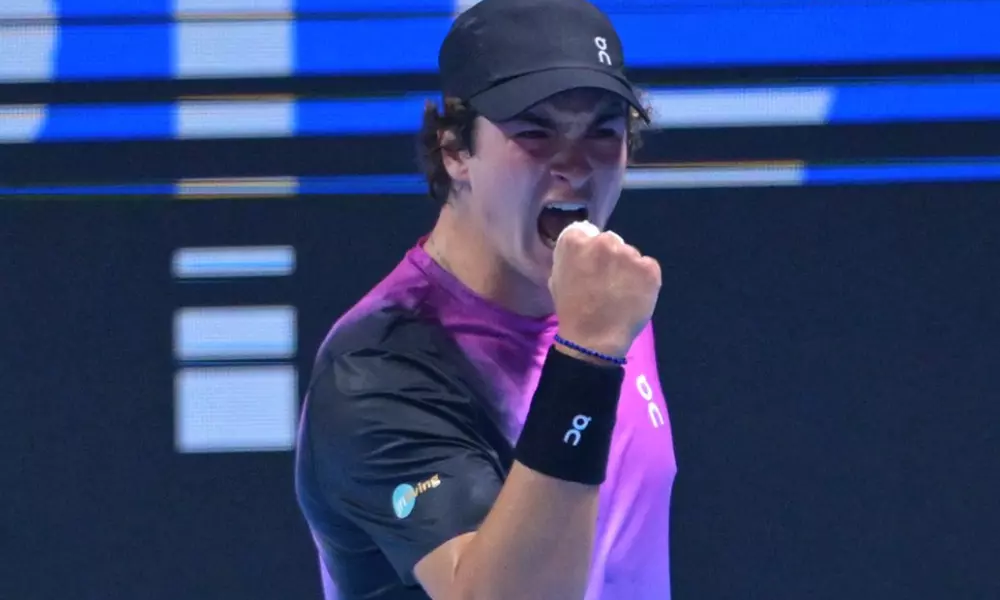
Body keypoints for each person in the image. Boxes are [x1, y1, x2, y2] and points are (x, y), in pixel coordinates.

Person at [294, 0, 677, 598]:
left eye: (603, 130)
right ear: (455, 150)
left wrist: (589, 347)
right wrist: (585, 361)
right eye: (534, 132)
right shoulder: (377, 371)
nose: (574, 166)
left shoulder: (599, 307)